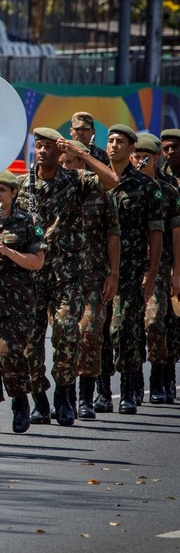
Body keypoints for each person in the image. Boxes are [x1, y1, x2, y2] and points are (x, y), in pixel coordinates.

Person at [16, 127, 117, 426]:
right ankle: (40, 399)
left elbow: (111, 181)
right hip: (31, 276)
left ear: (61, 153)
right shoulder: (23, 185)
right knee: (30, 342)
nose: (43, 151)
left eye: (49, 146)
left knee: (67, 332)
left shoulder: (75, 180)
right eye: (39, 146)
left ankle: (64, 395)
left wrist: (83, 154)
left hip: (67, 275)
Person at [103, 125, 164, 413]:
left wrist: (151, 274)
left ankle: (129, 386)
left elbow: (155, 234)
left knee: (124, 328)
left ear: (131, 150)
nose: (114, 145)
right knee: (98, 330)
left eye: (121, 142)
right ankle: (101, 391)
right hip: (97, 268)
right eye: (111, 140)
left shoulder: (146, 187)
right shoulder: (94, 181)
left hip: (131, 269)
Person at [58, 140, 120, 419]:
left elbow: (112, 236)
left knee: (91, 334)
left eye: (71, 162)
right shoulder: (57, 190)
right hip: (64, 276)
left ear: (83, 165)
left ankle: (86, 396)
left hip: (95, 275)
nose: (65, 167)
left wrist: (114, 273)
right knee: (67, 336)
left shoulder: (101, 194)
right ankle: (66, 397)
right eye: (63, 163)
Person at [0, 171, 45, 434]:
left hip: (17, 301)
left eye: (1, 191)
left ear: (13, 194)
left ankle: (20, 402)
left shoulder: (26, 221)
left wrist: (7, 251)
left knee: (8, 354)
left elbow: (37, 262)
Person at [134, 134, 180, 405]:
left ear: (156, 158)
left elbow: (175, 233)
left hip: (161, 266)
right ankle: (135, 382)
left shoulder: (169, 188)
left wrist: (177, 271)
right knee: (129, 326)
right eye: (137, 155)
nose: (140, 161)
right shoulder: (124, 185)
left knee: (156, 322)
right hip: (130, 266)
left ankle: (161, 376)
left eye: (146, 157)